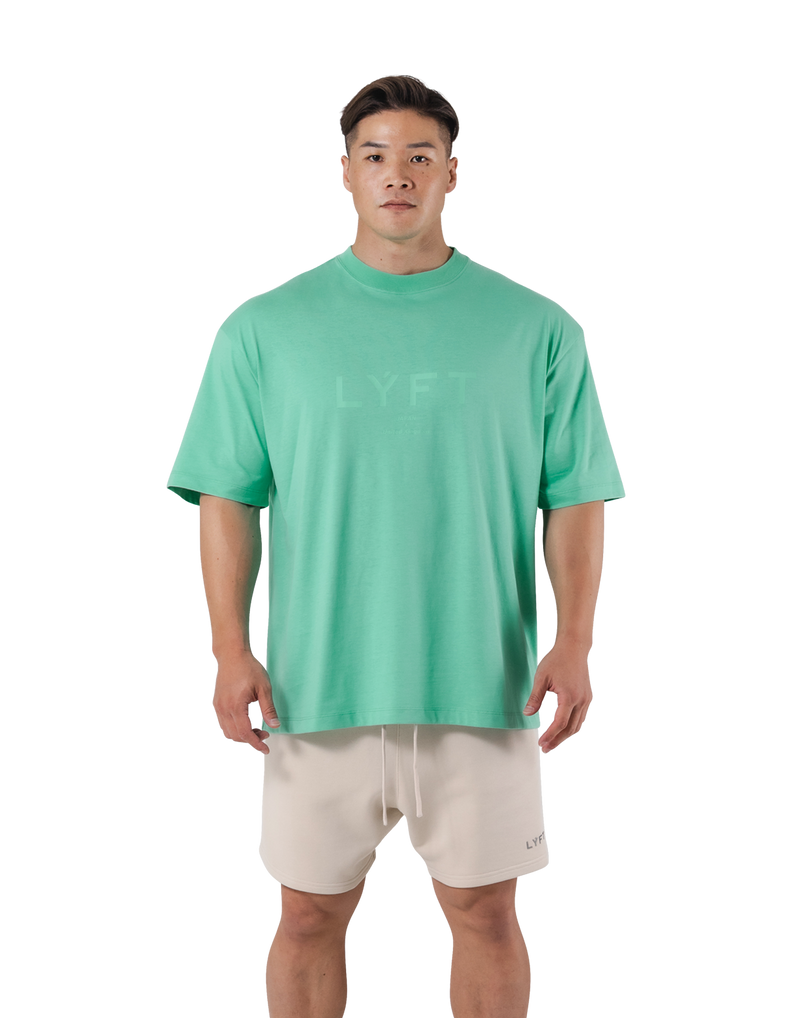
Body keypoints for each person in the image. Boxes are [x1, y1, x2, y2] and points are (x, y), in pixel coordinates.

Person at [165, 72, 627, 1018]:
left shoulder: (537, 327)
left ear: (453, 173)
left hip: (486, 685)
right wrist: (230, 650)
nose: (397, 175)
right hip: (313, 688)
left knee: (485, 912)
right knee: (305, 916)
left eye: (421, 156)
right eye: (375, 156)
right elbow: (227, 498)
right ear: (345, 173)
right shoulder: (263, 328)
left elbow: (576, 496)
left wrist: (576, 639)